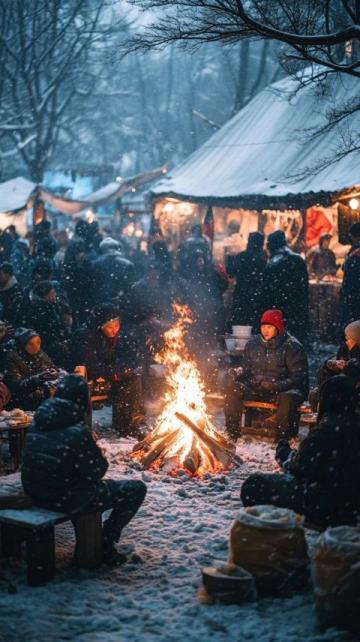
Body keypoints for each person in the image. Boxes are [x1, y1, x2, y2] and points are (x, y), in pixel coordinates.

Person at [21, 374, 147, 566]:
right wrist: (94, 449)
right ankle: (105, 543)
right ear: (81, 400)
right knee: (135, 489)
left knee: (75, 483)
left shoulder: (37, 423)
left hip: (35, 491)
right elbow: (97, 471)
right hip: (65, 497)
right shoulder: (77, 431)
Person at [241, 376, 360, 528]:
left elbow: (298, 469)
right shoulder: (352, 423)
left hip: (327, 505)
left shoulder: (325, 431)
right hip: (354, 503)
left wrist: (284, 452)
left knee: (254, 485)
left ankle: (312, 520)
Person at [224, 309, 308, 440]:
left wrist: (276, 385)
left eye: (270, 327)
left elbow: (298, 377)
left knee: (288, 398)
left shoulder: (292, 346)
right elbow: (246, 369)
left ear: (278, 328)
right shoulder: (253, 344)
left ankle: (282, 440)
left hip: (282, 391)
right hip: (258, 388)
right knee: (234, 389)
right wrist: (237, 372)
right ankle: (232, 433)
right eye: (263, 326)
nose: (265, 330)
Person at [72, 303, 144, 437]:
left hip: (110, 376)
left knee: (133, 378)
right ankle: (119, 426)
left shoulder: (119, 337)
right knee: (123, 381)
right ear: (101, 325)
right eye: (110, 327)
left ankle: (128, 423)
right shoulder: (85, 336)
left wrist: (123, 369)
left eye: (117, 325)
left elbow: (129, 357)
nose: (114, 330)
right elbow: (91, 365)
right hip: (91, 380)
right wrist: (115, 372)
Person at [263, 230, 309, 344]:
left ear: (271, 245)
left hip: (279, 305)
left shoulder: (273, 263)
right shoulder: (298, 259)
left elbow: (267, 290)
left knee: (281, 339)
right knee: (297, 339)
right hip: (297, 305)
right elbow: (304, 286)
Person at [2, 328, 60, 410]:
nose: (36, 347)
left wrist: (55, 373)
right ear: (22, 345)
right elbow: (16, 387)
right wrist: (38, 379)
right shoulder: (11, 358)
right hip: (20, 404)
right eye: (31, 344)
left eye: (38, 342)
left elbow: (52, 368)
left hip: (41, 399)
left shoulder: (40, 354)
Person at [25, 281, 72, 368]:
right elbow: (49, 329)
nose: (55, 295)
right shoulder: (42, 309)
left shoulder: (50, 306)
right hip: (47, 347)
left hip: (50, 345)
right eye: (53, 293)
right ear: (46, 295)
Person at [226, 232, 267, 329]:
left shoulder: (241, 256)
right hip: (256, 296)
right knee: (254, 324)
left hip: (241, 294)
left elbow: (230, 272)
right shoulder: (263, 259)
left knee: (240, 324)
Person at [91, 237, 135, 308]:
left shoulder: (95, 264)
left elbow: (93, 286)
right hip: (120, 304)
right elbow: (130, 288)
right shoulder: (128, 265)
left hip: (101, 304)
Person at [339, 222, 360, 327]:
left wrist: (345, 292)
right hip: (353, 294)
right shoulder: (354, 252)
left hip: (353, 296)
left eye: (351, 237)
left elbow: (348, 271)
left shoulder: (355, 253)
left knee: (351, 327)